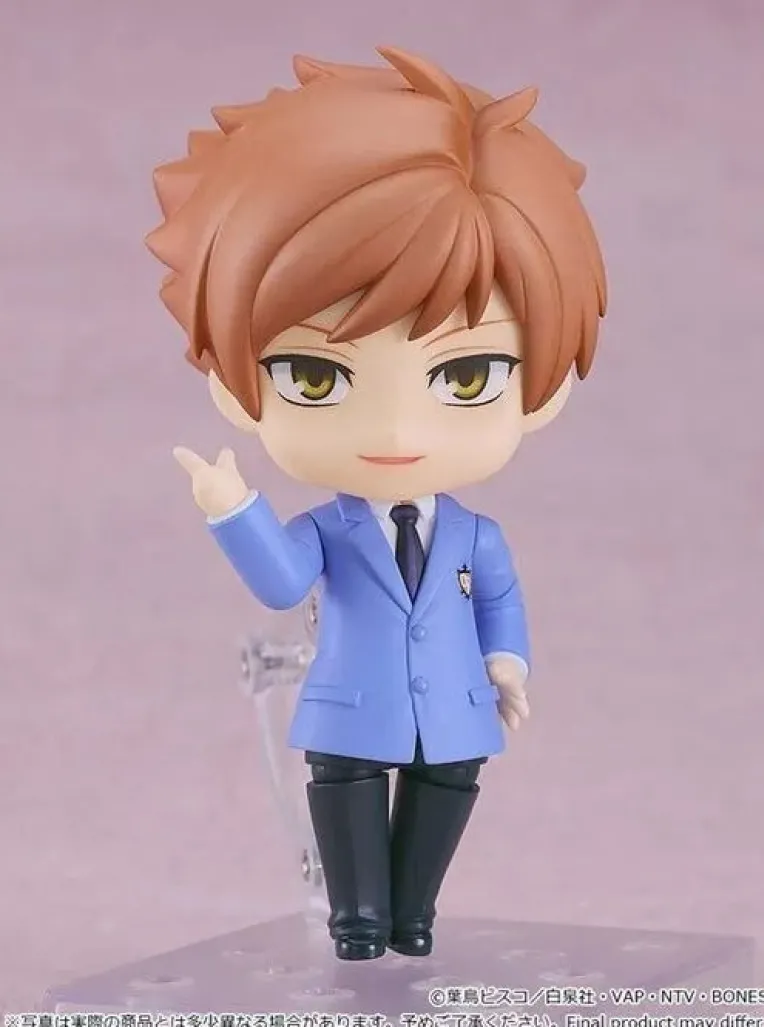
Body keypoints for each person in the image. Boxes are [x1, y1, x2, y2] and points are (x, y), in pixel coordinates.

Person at [146, 46, 607, 961]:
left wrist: (508, 662)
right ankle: (358, 920)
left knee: (446, 792)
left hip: (456, 712)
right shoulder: (327, 527)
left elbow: (501, 601)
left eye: (466, 375)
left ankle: (412, 914)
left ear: (544, 388)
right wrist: (231, 505)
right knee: (348, 797)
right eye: (315, 376)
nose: (397, 428)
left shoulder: (476, 534)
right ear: (236, 385)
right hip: (349, 712)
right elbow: (283, 584)